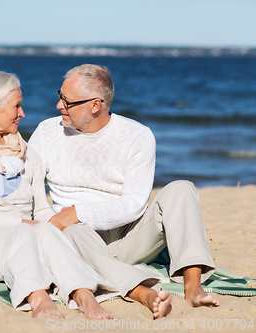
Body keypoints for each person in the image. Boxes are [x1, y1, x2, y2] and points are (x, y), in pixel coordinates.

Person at [28, 64, 220, 319]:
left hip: (129, 236)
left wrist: (78, 211)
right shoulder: (46, 132)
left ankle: (193, 287)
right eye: (59, 96)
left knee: (182, 189)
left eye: (67, 101)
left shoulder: (137, 136)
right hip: (75, 238)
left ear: (95, 105)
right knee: (74, 230)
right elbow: (26, 188)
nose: (59, 105)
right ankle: (142, 291)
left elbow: (134, 204)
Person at [0, 71, 120, 320]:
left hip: (27, 235)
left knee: (48, 229)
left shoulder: (27, 154)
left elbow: (41, 211)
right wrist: (34, 227)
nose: (22, 113)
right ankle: (38, 297)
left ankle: (83, 294)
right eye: (17, 106)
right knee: (32, 230)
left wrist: (57, 223)